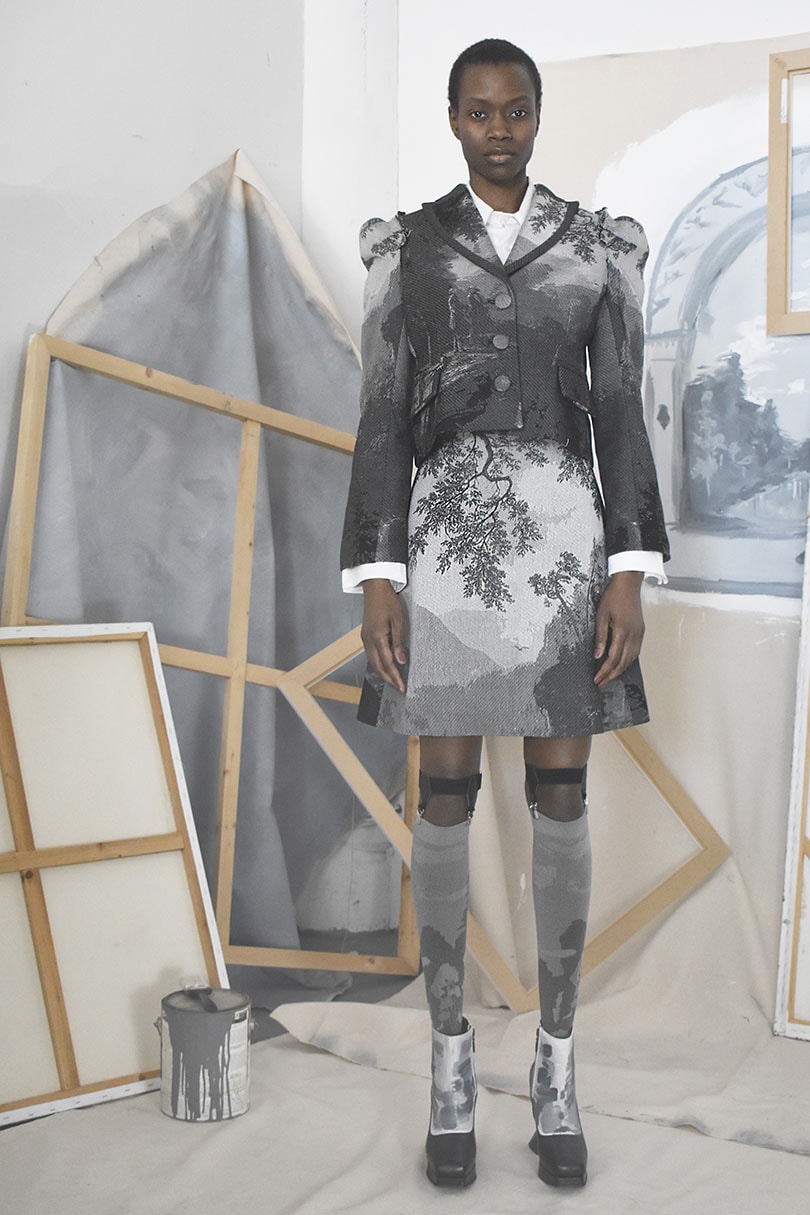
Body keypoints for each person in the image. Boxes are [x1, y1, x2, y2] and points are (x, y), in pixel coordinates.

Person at [340, 37, 669, 1190]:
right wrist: (378, 576)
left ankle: (558, 1067)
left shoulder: (593, 248)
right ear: (451, 118)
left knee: (561, 798)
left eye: (516, 110)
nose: (499, 129)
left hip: (569, 548)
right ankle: (448, 1063)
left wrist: (628, 568)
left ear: (537, 115)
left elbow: (621, 408)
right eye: (479, 111)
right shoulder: (409, 249)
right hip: (446, 550)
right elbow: (382, 413)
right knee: (444, 798)